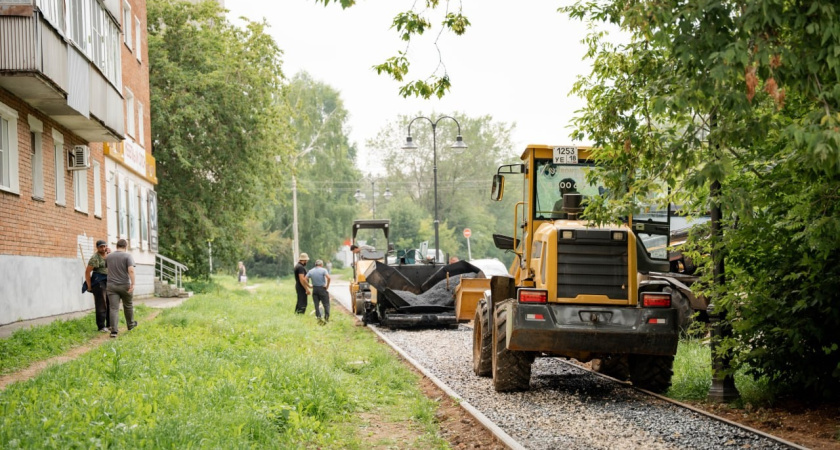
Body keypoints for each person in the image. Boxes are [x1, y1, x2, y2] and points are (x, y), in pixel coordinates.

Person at [106, 239, 136, 338]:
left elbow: (107, 268)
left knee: (113, 308)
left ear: (116, 246)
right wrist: (133, 283)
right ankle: (131, 326)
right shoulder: (128, 256)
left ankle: (114, 331)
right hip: (124, 285)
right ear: (126, 247)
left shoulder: (109, 256)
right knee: (128, 305)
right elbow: (131, 270)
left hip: (111, 286)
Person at [85, 240, 110, 332]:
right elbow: (87, 272)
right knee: (101, 304)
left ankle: (109, 324)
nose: (103, 248)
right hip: (99, 282)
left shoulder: (108, 255)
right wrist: (89, 286)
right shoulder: (95, 258)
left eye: (104, 246)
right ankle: (101, 326)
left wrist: (110, 253)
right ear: (97, 247)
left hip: (108, 281)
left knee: (110, 302)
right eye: (101, 247)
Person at [306, 259, 331, 324]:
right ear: (321, 265)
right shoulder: (324, 270)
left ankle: (319, 318)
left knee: (316, 305)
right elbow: (329, 278)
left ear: (315, 264)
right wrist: (327, 286)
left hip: (315, 289)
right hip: (322, 288)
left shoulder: (311, 271)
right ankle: (326, 318)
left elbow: (305, 279)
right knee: (326, 304)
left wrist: (309, 285)